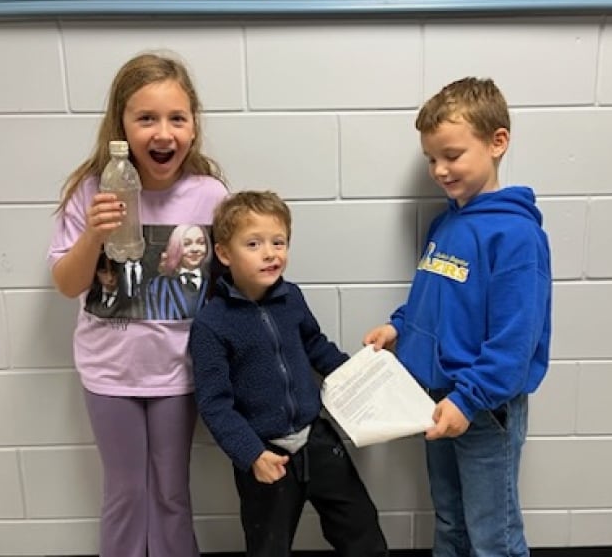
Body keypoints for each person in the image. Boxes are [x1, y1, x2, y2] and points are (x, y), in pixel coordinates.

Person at [47, 52, 228, 557]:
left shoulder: (209, 195)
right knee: (125, 493)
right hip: (110, 374)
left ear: (193, 127)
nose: (163, 133)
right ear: (121, 127)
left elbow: (227, 282)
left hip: (178, 373)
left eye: (176, 118)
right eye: (146, 118)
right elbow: (66, 283)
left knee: (171, 493)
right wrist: (93, 235)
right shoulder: (92, 191)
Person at [363, 77, 552, 557]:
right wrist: (399, 327)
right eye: (431, 159)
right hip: (436, 400)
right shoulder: (446, 223)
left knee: (494, 535)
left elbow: (515, 341)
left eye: (452, 155)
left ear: (497, 142)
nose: (440, 170)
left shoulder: (515, 236)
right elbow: (432, 300)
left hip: (483, 408)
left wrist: (469, 400)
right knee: (449, 520)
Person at [189, 191, 388, 557]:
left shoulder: (291, 297)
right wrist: (250, 455)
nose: (270, 253)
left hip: (318, 439)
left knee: (361, 530)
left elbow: (318, 348)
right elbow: (215, 405)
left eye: (278, 242)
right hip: (265, 454)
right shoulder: (210, 324)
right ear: (224, 253)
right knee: (268, 546)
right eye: (254, 243)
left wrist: (363, 376)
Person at [146, 223, 213, 320]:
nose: (194, 249)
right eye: (187, 244)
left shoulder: (214, 283)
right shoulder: (158, 285)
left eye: (201, 242)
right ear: (176, 248)